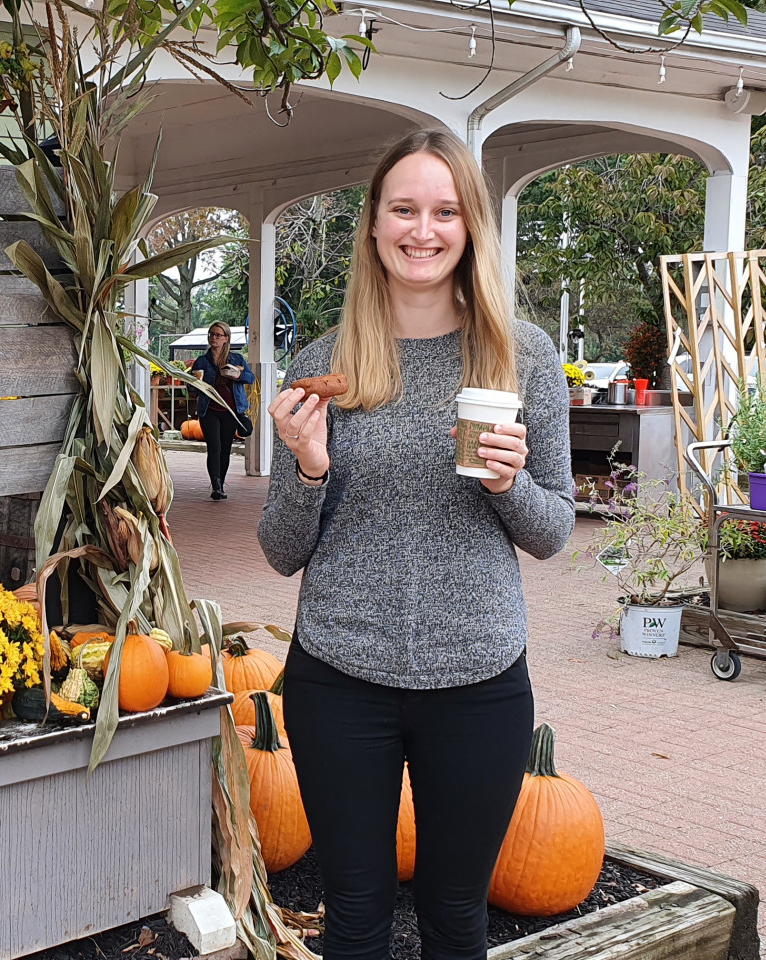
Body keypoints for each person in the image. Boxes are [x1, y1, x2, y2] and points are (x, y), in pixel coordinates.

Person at [258, 129, 575, 960]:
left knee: (454, 916)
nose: (422, 230)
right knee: (354, 916)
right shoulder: (324, 360)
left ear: (470, 225)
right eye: (403, 209)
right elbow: (282, 551)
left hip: (478, 678)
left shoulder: (522, 356)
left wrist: (512, 487)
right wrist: (309, 467)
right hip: (339, 677)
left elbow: (555, 533)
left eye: (444, 211)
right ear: (373, 224)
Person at [190, 322, 254, 500]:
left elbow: (251, 378)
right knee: (214, 446)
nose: (214, 337)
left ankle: (221, 483)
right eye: (211, 334)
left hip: (231, 410)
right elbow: (192, 388)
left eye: (218, 335)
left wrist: (238, 375)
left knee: (225, 448)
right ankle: (216, 484)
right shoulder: (202, 361)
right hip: (209, 409)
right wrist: (195, 383)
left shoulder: (237, 359)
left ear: (226, 338)